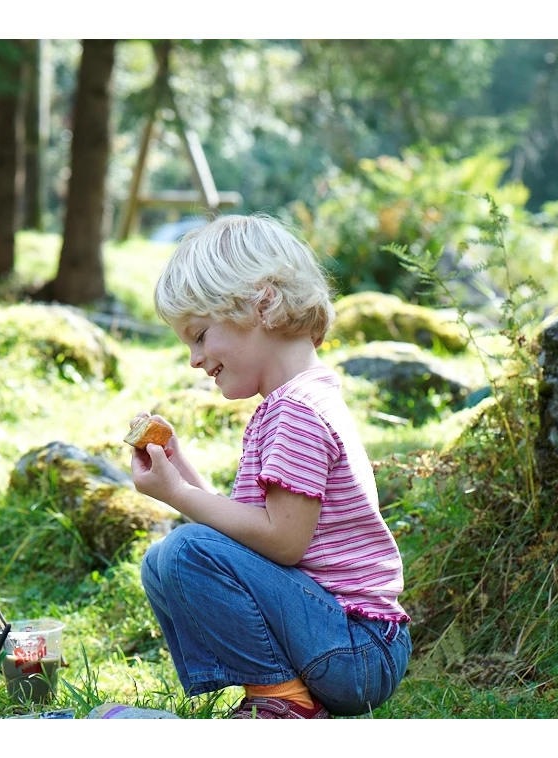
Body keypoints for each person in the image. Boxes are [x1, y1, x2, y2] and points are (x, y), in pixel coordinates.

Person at [129, 213, 411, 720]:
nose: (194, 359)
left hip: (355, 646)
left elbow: (283, 542)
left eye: (199, 335)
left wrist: (179, 496)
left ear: (261, 303)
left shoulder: (295, 410)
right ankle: (283, 695)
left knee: (184, 551)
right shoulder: (296, 400)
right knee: (162, 562)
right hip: (338, 635)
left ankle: (284, 703)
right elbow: (248, 539)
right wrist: (182, 472)